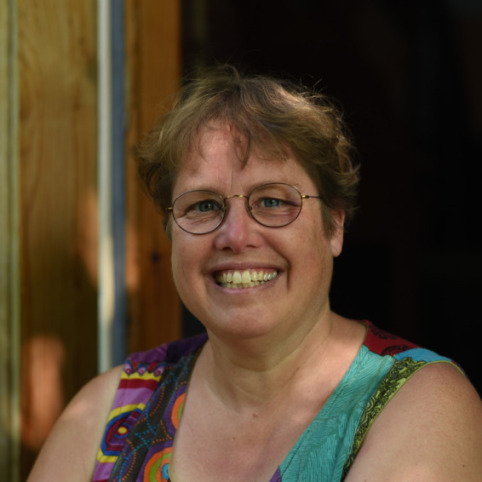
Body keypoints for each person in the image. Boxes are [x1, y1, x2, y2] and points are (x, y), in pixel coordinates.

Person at [28, 65, 482, 481]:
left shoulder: (419, 402)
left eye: (272, 201)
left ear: (334, 226)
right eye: (204, 205)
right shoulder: (109, 410)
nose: (236, 236)